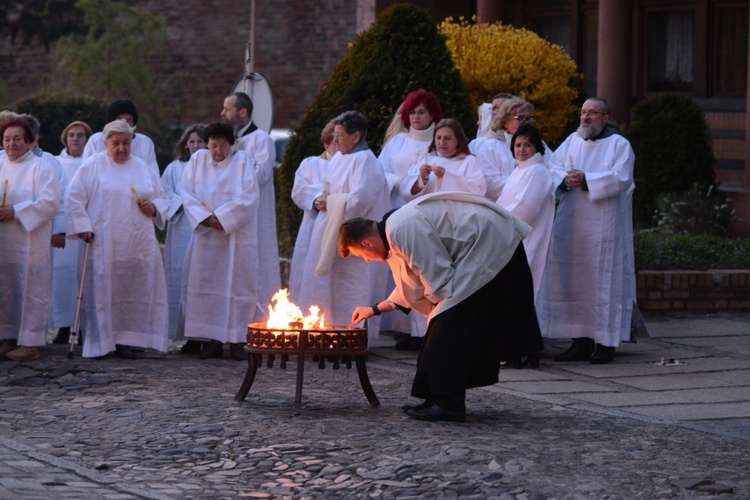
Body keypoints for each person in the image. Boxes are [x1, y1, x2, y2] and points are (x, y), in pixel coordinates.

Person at [340, 192, 543, 422]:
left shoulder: (400, 228)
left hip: (491, 243)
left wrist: (439, 309)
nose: (367, 260)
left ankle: (449, 405)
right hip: (483, 244)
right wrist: (374, 310)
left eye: (362, 255)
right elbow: (411, 283)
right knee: (444, 327)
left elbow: (438, 276)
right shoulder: (391, 229)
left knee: (446, 330)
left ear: (367, 242)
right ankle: (437, 397)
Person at [538, 97, 636, 365]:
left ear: (606, 118)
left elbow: (622, 178)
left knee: (602, 282)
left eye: (592, 113)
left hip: (604, 225)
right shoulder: (572, 140)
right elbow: (552, 167)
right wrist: (564, 179)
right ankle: (579, 341)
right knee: (573, 280)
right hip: (572, 222)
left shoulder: (619, 145)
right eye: (583, 112)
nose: (585, 117)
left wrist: (587, 180)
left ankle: (605, 342)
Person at [66, 120, 169, 359]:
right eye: (116, 144)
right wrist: (83, 226)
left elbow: (162, 197)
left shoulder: (142, 167)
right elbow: (74, 197)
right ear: (105, 143)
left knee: (132, 290)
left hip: (136, 242)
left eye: (126, 143)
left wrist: (154, 206)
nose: (121, 149)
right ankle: (103, 341)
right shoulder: (93, 165)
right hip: (104, 241)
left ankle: (128, 339)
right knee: (105, 290)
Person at [294, 111, 390, 338]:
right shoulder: (339, 158)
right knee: (327, 284)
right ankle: (323, 332)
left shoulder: (367, 161)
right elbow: (329, 187)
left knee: (351, 285)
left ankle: (349, 335)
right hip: (329, 229)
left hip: (354, 234)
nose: (335, 140)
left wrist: (333, 203)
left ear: (355, 137)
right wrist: (322, 199)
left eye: (339, 135)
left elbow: (360, 200)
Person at [179, 122, 260, 361]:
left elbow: (250, 196)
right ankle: (212, 340)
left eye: (223, 146)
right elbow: (187, 193)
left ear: (231, 144)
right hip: (208, 238)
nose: (218, 152)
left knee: (237, 287)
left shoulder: (243, 162)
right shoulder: (197, 162)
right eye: (213, 146)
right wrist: (206, 219)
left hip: (237, 237)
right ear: (207, 144)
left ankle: (237, 340)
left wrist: (224, 218)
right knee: (209, 286)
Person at [378, 89, 442, 349]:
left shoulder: (439, 139)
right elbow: (381, 171)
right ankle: (403, 329)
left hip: (428, 211)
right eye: (412, 112)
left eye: (421, 112)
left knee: (424, 268)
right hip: (399, 207)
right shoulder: (397, 142)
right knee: (401, 268)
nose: (416, 117)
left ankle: (425, 329)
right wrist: (402, 182)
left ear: (432, 114)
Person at [0, 119, 61, 362]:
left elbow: (50, 202)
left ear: (28, 142)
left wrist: (16, 212)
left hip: (30, 242)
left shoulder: (41, 167)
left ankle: (31, 342)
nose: (11, 144)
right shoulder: (0, 165)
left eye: (16, 139)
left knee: (31, 289)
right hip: (4, 245)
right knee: (6, 289)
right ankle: (8, 336)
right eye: (6, 139)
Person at [221, 92, 280, 313]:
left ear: (242, 112)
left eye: (227, 109)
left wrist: (238, 157)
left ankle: (259, 317)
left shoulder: (262, 140)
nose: (222, 113)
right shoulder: (228, 142)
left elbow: (261, 176)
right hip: (233, 214)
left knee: (257, 266)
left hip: (256, 215)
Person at [496, 125, 554, 316]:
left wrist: (495, 223)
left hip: (528, 238)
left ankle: (525, 339)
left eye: (527, 145)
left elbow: (524, 210)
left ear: (537, 147)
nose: (521, 150)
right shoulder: (519, 170)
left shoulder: (537, 171)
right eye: (518, 145)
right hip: (511, 239)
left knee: (526, 286)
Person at [160, 124, 206, 352]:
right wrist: (182, 204)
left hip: (204, 230)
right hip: (181, 229)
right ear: (185, 144)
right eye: (192, 141)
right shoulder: (174, 168)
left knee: (201, 279)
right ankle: (187, 335)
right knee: (181, 279)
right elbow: (164, 192)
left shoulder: (211, 168)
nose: (196, 146)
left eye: (200, 141)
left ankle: (205, 335)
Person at [49, 121, 93, 345]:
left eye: (81, 136)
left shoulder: (93, 163)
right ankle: (64, 326)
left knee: (84, 280)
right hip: (63, 230)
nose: (75, 139)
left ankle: (84, 326)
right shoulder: (55, 163)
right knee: (63, 279)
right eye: (72, 135)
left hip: (85, 228)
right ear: (65, 138)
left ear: (88, 140)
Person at [289, 121, 338, 299]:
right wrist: (317, 198)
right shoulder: (310, 164)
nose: (339, 148)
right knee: (309, 270)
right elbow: (299, 190)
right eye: (334, 144)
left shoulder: (350, 163)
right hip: (312, 226)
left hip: (337, 227)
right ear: (326, 144)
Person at [400, 118, 486, 203]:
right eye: (438, 138)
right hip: (426, 209)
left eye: (447, 138)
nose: (442, 142)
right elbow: (406, 192)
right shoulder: (427, 159)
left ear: (458, 141)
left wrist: (445, 177)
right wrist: (421, 180)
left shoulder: (468, 161)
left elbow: (478, 190)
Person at [475, 97, 532, 201]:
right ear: (505, 122)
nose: (526, 122)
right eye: (520, 118)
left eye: (528, 119)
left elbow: (551, 170)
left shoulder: (538, 144)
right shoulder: (491, 146)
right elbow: (490, 185)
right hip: (502, 209)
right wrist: (526, 180)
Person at [81, 99, 159, 173]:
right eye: (120, 119)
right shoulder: (96, 140)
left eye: (129, 120)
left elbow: (153, 173)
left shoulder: (145, 142)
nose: (125, 123)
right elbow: (86, 171)